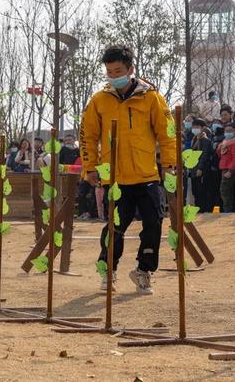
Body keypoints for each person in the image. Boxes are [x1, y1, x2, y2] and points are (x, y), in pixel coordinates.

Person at [80, 44, 175, 295]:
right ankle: (108, 270)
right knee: (114, 227)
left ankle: (144, 271)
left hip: (147, 175)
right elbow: (88, 136)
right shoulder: (99, 100)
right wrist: (89, 167)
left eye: (118, 70)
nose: (113, 76)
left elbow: (168, 134)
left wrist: (169, 165)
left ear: (131, 69)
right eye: (109, 72)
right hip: (115, 177)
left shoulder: (151, 97)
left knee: (154, 223)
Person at [217, 123, 235, 213]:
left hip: (229, 170)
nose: (227, 133)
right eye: (226, 131)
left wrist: (231, 171)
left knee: (224, 189)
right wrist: (220, 147)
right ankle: (228, 208)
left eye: (230, 131)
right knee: (226, 189)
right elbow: (220, 155)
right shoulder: (225, 143)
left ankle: (228, 209)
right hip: (224, 168)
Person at [189, 119, 214, 212]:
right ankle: (198, 207)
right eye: (193, 127)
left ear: (203, 128)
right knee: (195, 190)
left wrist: (200, 168)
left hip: (202, 169)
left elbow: (204, 155)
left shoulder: (205, 140)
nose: (195, 129)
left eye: (197, 127)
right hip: (193, 168)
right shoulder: (194, 139)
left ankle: (203, 208)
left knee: (201, 190)